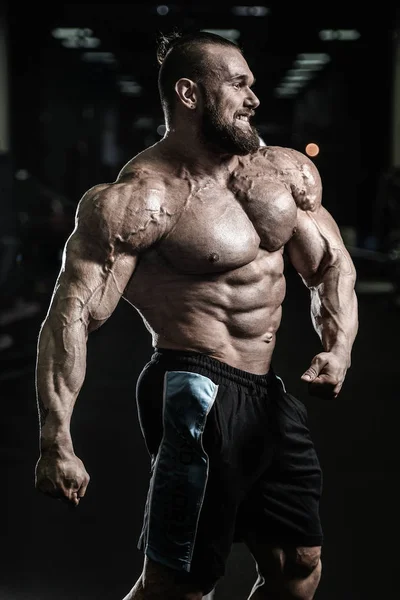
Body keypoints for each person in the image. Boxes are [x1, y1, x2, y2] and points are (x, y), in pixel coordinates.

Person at [34, 31, 358, 600]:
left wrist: (339, 346)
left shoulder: (282, 173)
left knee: (297, 564)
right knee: (180, 584)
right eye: (238, 84)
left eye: (253, 84)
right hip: (195, 384)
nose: (254, 98)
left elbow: (332, 265)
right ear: (188, 93)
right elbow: (74, 313)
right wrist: (56, 437)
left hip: (266, 395)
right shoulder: (140, 197)